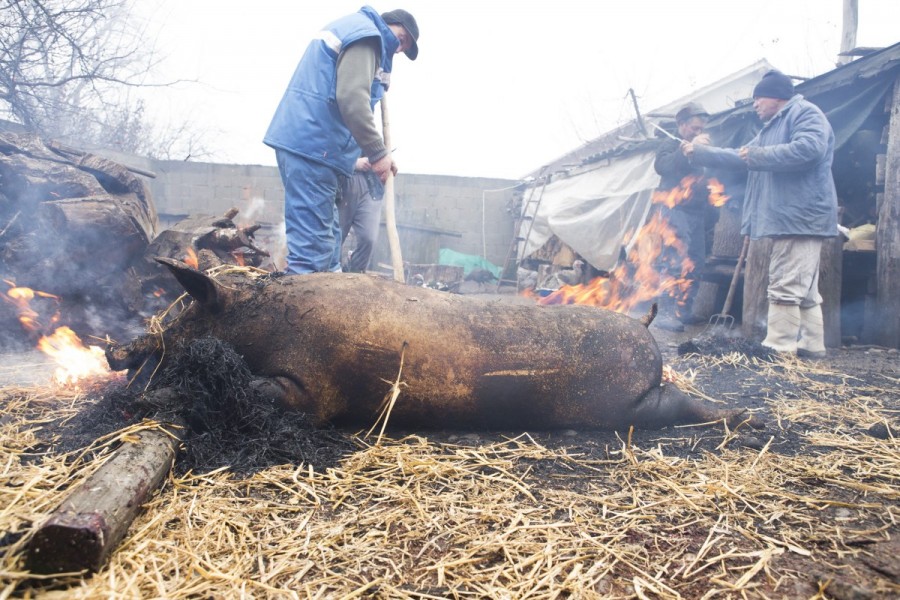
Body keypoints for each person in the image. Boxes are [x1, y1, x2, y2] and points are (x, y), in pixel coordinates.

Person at [683, 70, 838, 357]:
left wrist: (758, 156)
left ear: (776, 97)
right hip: (790, 217)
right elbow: (739, 156)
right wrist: (700, 154)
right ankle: (812, 345)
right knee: (803, 290)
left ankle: (779, 347)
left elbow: (810, 150)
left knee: (786, 284)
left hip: (799, 216)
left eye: (758, 98)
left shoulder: (805, 113)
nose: (754, 105)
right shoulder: (770, 128)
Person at [263, 7, 419, 274]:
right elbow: (352, 99)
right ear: (390, 25)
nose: (398, 50)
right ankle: (303, 313)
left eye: (403, 48)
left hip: (316, 150)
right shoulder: (368, 36)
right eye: (402, 40)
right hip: (314, 148)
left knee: (327, 248)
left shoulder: (358, 32)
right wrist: (378, 153)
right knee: (313, 257)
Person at [651, 101, 713, 332]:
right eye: (693, 128)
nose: (697, 133)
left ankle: (683, 311)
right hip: (673, 209)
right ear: (681, 124)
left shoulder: (701, 146)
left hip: (697, 213)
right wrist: (683, 151)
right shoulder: (668, 144)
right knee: (673, 260)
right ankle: (666, 312)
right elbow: (662, 167)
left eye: (700, 129)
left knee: (696, 262)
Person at [338, 157, 382, 272]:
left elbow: (378, 149)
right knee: (336, 236)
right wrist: (352, 162)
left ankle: (355, 271)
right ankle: (331, 273)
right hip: (342, 179)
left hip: (370, 183)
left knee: (369, 238)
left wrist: (385, 160)